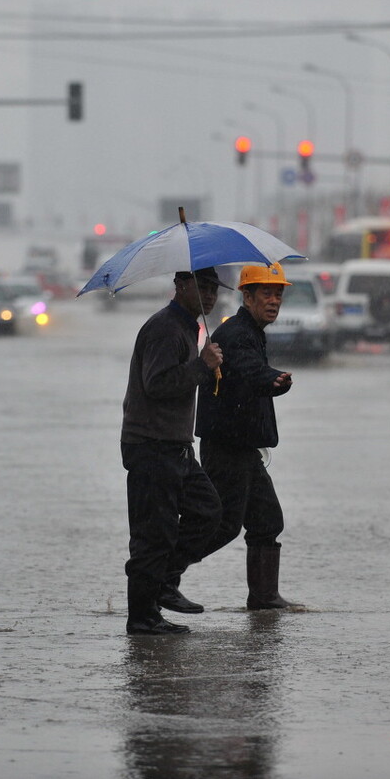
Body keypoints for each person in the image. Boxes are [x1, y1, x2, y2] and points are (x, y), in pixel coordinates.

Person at [185, 262, 301, 610]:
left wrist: (270, 380)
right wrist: (274, 379)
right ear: (246, 296)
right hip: (227, 446)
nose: (274, 300)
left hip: (243, 446)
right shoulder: (237, 333)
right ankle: (160, 574)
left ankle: (264, 597)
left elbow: (248, 373)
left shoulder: (249, 331)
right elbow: (251, 371)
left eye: (278, 293)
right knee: (221, 526)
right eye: (266, 293)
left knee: (267, 520)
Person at [121, 267, 227, 635]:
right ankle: (143, 617)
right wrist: (202, 366)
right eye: (203, 287)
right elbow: (158, 383)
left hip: (177, 447)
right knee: (154, 534)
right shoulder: (166, 327)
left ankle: (165, 581)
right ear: (180, 286)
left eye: (214, 289)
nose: (210, 296)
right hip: (152, 446)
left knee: (208, 512)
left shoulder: (188, 327)